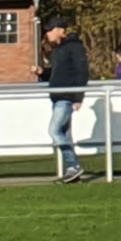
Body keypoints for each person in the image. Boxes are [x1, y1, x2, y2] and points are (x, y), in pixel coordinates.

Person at [35, 18, 89, 183]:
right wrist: (43, 73)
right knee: (64, 134)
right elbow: (57, 73)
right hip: (58, 96)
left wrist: (78, 97)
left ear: (60, 30)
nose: (47, 34)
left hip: (66, 97)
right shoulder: (58, 50)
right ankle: (73, 172)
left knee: (54, 130)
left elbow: (82, 71)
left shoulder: (74, 47)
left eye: (50, 30)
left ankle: (74, 165)